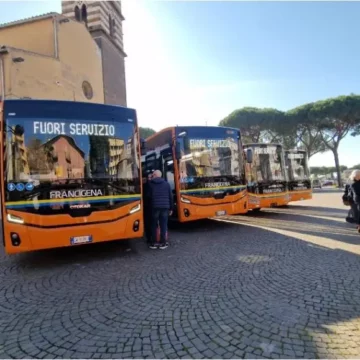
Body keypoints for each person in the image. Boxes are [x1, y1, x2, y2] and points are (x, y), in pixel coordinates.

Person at [148, 170, 173, 249]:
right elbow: (170, 197)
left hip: (155, 207)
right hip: (165, 207)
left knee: (154, 225)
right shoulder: (167, 184)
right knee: (163, 225)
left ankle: (154, 243)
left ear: (155, 175)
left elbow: (148, 197)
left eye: (152, 175)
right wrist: (171, 208)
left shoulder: (150, 184)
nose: (152, 176)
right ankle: (163, 243)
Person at [143, 171, 153, 245]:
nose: (149, 179)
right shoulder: (152, 185)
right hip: (150, 207)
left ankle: (149, 238)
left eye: (150, 177)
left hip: (147, 207)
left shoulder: (144, 185)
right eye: (148, 177)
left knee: (148, 223)